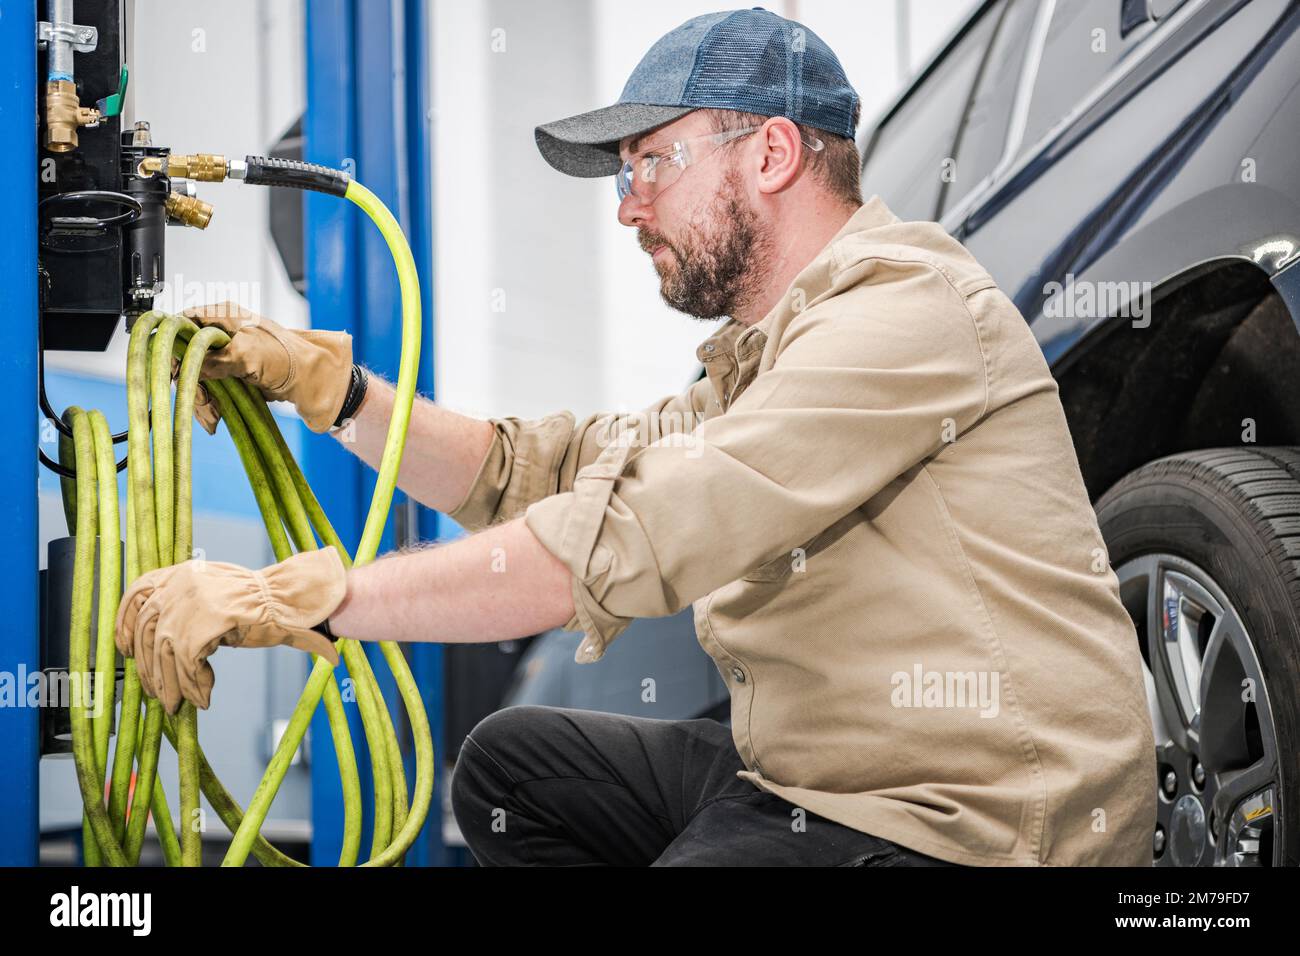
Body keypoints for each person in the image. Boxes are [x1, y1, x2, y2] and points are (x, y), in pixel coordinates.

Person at [115, 8, 1155, 866]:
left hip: (974, 820)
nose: (628, 207)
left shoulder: (905, 310)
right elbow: (543, 469)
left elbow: (633, 530)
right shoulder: (764, 356)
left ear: (773, 152)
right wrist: (334, 391)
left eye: (651, 163)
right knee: (514, 767)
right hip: (816, 782)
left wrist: (303, 599)